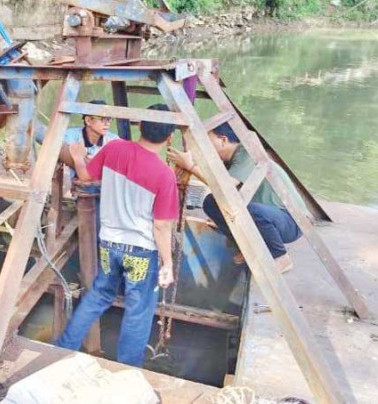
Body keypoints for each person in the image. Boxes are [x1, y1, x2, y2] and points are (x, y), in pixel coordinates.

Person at [55, 104, 179, 368]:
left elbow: (87, 177)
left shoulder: (114, 148)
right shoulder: (164, 175)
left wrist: (78, 158)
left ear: (140, 126)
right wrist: (167, 263)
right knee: (139, 310)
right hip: (141, 251)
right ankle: (127, 370)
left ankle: (63, 348)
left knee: (99, 295)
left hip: (109, 243)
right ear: (170, 138)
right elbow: (161, 226)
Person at [167, 122, 307, 273]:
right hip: (269, 215)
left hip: (291, 221)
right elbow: (217, 184)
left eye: (208, 141)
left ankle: (280, 257)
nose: (204, 147)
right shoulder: (228, 160)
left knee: (252, 211)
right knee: (210, 202)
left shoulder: (247, 153)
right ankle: (248, 248)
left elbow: (227, 186)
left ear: (223, 140)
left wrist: (190, 167)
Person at [35, 99, 119, 176]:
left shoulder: (113, 140)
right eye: (103, 119)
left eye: (109, 119)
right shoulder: (70, 136)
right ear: (88, 120)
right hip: (76, 183)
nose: (107, 123)